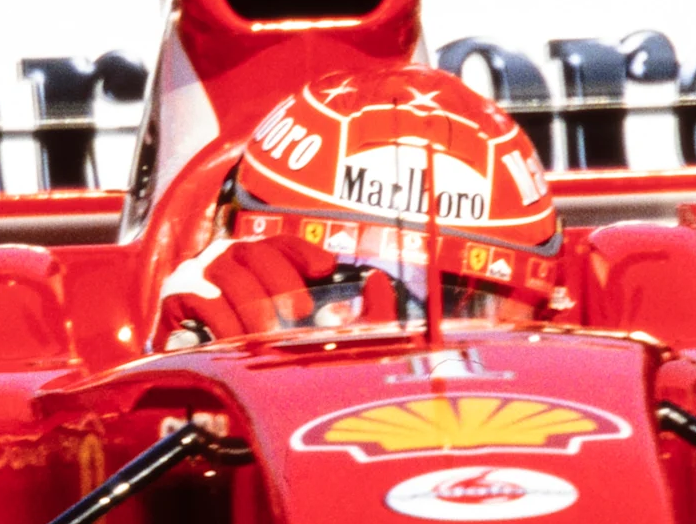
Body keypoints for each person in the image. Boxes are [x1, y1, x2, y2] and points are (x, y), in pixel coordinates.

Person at [152, 64, 563, 348]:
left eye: (453, 302)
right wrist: (178, 374)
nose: (390, 334)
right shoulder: (205, 321)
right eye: (340, 287)